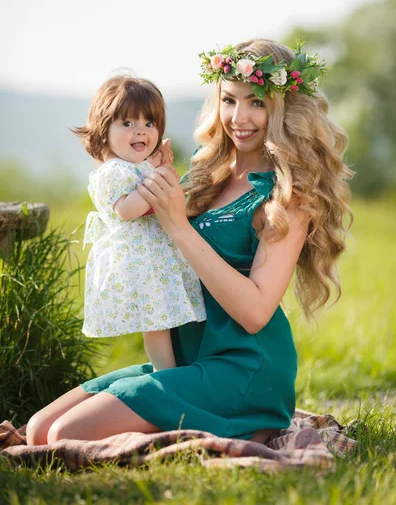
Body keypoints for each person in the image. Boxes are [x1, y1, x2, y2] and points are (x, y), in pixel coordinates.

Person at [26, 38, 353, 447]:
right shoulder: (206, 172)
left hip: (241, 366)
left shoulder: (288, 196)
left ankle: (249, 421)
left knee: (64, 435)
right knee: (40, 429)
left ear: (284, 109)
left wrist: (179, 226)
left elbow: (254, 313)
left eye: (257, 103)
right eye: (229, 100)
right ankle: (190, 414)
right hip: (186, 359)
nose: (239, 117)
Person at [72, 75, 206, 372]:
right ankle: (165, 376)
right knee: (156, 324)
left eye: (149, 123)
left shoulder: (139, 168)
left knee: (171, 318)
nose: (141, 131)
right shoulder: (112, 172)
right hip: (139, 262)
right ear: (103, 130)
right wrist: (158, 173)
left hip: (156, 257)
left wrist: (160, 169)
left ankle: (181, 369)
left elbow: (168, 197)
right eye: (128, 123)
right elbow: (127, 210)